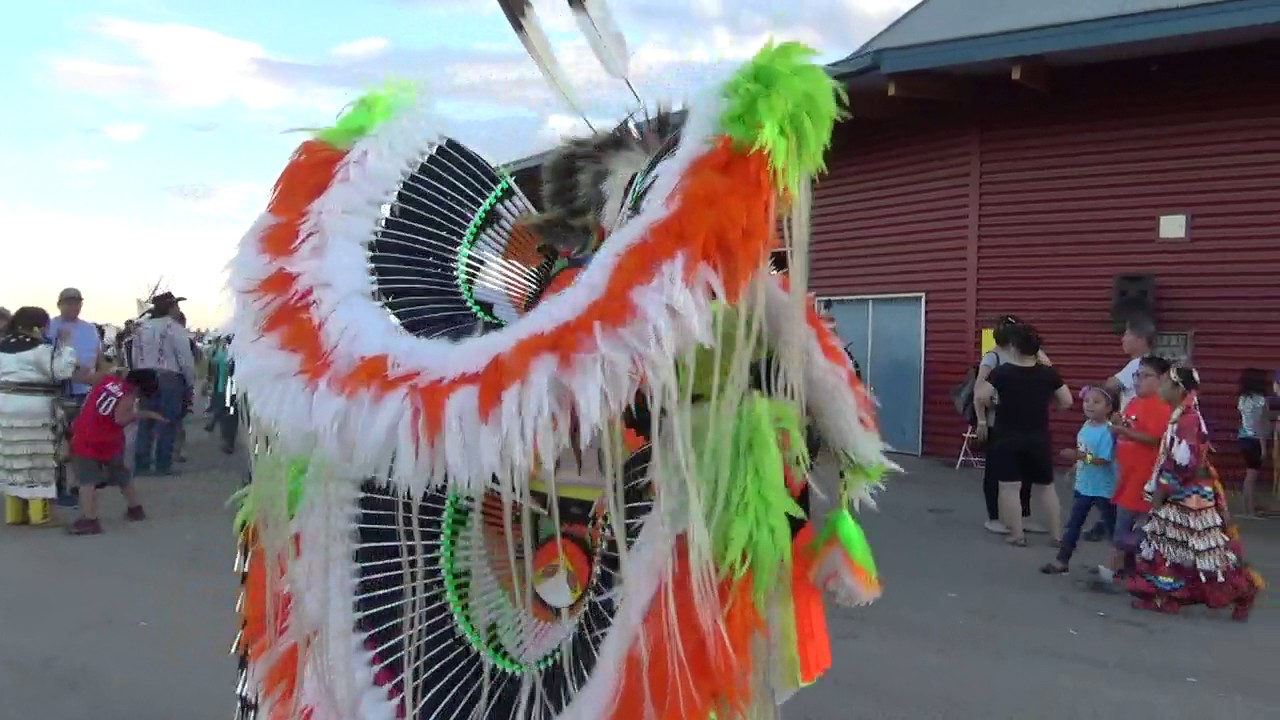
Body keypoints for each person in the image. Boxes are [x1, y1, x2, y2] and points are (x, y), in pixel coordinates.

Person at [1127, 366, 1260, 620]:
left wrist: (1162, 490)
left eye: (1164, 383)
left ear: (1178, 389)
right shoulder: (1181, 415)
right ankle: (1168, 596)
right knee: (1173, 547)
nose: (1160, 388)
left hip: (1189, 495)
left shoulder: (1187, 419)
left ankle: (1241, 590)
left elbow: (1183, 463)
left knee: (1200, 550)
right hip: (1184, 492)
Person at [975, 322, 1072, 547]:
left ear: (1014, 347)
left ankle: (1017, 535)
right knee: (1046, 487)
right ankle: (1057, 536)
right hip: (1039, 436)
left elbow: (981, 396)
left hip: (1007, 436)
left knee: (1010, 487)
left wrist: (994, 401)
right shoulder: (1048, 373)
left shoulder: (1002, 372)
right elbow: (1066, 401)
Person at [0, 306, 79, 525]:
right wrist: (66, 345)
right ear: (40, 326)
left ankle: (14, 513)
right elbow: (61, 371)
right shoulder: (42, 349)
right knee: (38, 460)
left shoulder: (2, 346)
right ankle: (39, 515)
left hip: (5, 406)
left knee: (13, 458)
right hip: (35, 409)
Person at [1098, 355, 1172, 582]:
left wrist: (1124, 432)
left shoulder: (1161, 406)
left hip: (1145, 479)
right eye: (1137, 375)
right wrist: (1118, 424)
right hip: (1128, 475)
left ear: (1162, 379)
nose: (1139, 380)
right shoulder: (1134, 402)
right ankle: (1125, 570)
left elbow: (1155, 439)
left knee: (1136, 529)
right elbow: (1127, 427)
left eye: (1146, 376)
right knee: (1124, 524)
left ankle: (1122, 571)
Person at [66, 369, 166, 535]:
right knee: (121, 474)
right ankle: (135, 509)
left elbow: (86, 379)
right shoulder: (129, 395)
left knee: (87, 480)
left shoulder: (107, 380)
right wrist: (141, 414)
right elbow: (120, 419)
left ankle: (90, 519)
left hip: (87, 437)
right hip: (111, 440)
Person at [1041, 385, 1117, 574]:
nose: (1089, 405)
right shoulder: (1086, 426)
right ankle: (1061, 561)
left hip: (1103, 489)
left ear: (1109, 408)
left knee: (1113, 529)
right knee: (1074, 524)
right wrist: (1075, 467)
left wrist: (1079, 456)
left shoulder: (1108, 431)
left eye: (1096, 402)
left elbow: (1102, 460)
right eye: (1087, 400)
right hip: (1084, 486)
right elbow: (1084, 451)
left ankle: (1121, 564)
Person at [975, 315, 1040, 535]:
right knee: (995, 471)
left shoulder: (1024, 356)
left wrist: (1036, 349)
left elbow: (1048, 369)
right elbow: (979, 391)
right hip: (998, 423)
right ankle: (994, 517)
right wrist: (981, 420)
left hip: (1024, 423)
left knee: (1025, 472)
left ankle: (1024, 516)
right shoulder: (993, 357)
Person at [47, 287, 104, 507]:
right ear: (59, 304)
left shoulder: (90, 329)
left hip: (86, 393)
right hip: (60, 392)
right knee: (58, 444)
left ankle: (80, 484)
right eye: (68, 303)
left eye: (76, 302)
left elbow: (98, 357)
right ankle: (58, 489)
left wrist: (101, 377)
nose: (73, 306)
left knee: (83, 443)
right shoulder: (50, 327)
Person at [129, 291, 196, 475]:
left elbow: (134, 356)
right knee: (167, 421)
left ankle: (141, 463)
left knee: (146, 420)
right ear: (170, 307)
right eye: (176, 306)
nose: (178, 310)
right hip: (168, 376)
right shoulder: (173, 327)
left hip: (144, 374)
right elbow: (185, 359)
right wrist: (189, 382)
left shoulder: (141, 328)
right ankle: (162, 463)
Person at [1237, 367, 1270, 517]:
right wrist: (1264, 447)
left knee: (1249, 475)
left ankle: (1247, 508)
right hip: (1255, 440)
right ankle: (1250, 511)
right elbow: (1260, 424)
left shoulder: (1243, 399)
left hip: (1243, 438)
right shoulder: (1261, 400)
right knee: (1252, 476)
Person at [1106, 317, 1155, 411]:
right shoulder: (1153, 363)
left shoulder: (1138, 363)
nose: (1123, 339)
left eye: (1127, 335)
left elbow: (1111, 385)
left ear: (1141, 339)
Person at [206, 335, 239, 453]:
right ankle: (229, 442)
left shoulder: (224, 353)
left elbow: (212, 359)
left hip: (225, 389)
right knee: (230, 415)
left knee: (226, 416)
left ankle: (227, 442)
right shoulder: (236, 353)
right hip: (231, 390)